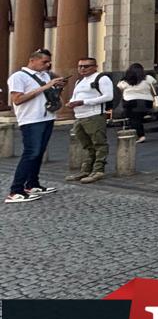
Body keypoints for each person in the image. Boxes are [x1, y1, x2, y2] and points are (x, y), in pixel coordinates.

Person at [5, 49, 66, 203]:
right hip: (30, 119)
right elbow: (17, 99)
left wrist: (56, 88)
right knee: (31, 153)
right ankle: (15, 190)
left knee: (39, 153)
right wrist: (45, 87)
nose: (48, 65)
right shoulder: (18, 77)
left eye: (49, 62)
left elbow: (46, 95)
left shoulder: (45, 76)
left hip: (47, 117)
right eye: (44, 62)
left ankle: (32, 184)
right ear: (32, 60)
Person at [66, 56, 115, 184]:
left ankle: (98, 170)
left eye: (86, 66)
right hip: (80, 116)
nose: (82, 69)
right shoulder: (79, 81)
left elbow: (108, 96)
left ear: (94, 67)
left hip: (94, 115)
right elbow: (75, 96)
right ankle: (86, 169)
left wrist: (84, 102)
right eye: (80, 66)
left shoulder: (101, 78)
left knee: (99, 143)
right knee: (87, 145)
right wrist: (71, 103)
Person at [117, 63, 157, 142]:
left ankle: (140, 135)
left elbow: (120, 89)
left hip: (130, 102)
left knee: (134, 118)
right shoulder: (148, 78)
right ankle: (139, 132)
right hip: (147, 102)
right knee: (137, 118)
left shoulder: (124, 80)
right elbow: (154, 86)